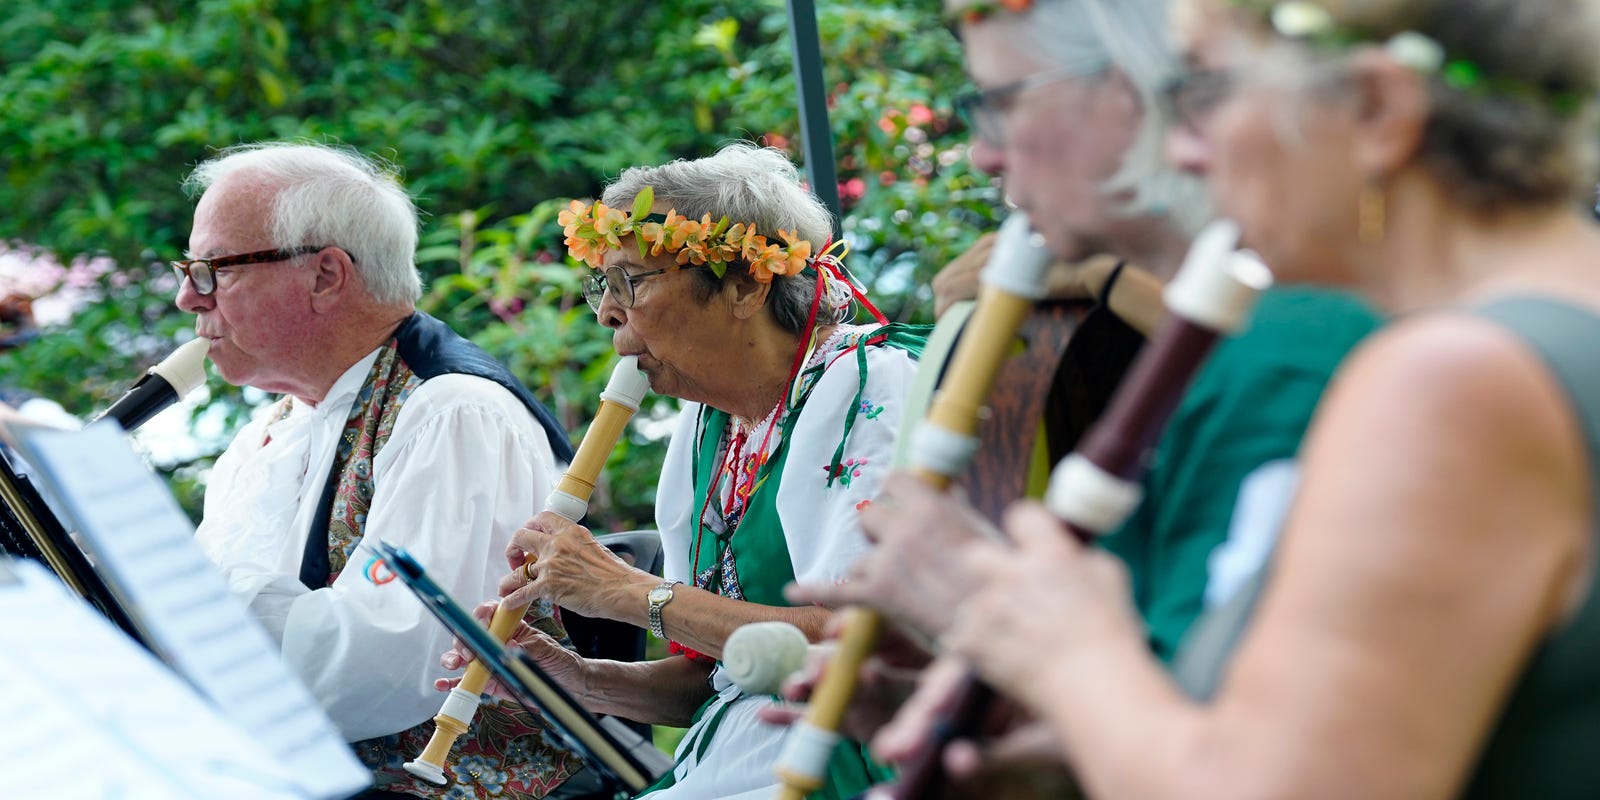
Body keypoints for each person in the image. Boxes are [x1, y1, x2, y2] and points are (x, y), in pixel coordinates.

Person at [916, 0, 1600, 796]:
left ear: (1378, 109)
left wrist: (1066, 646)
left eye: (1205, 93)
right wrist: (1076, 741)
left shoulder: (1453, 378)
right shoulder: (1539, 325)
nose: (1180, 150)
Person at [439, 142, 924, 800]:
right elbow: (722, 677)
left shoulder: (867, 384)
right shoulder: (704, 424)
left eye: (630, 282)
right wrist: (571, 677)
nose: (608, 313)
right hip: (735, 762)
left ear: (748, 284)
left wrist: (627, 593)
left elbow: (863, 642)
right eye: (601, 286)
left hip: (848, 762)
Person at [175, 142, 582, 800]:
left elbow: (384, 669)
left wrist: (178, 595)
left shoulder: (454, 414)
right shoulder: (270, 432)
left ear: (327, 276)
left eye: (212, 270)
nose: (187, 299)